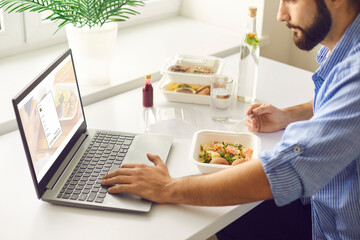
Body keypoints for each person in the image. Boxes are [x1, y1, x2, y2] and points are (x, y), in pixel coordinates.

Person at [101, 0, 360, 239]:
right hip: (320, 203)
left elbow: (283, 170)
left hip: (335, 230)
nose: (281, 14)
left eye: (292, 0)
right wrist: (288, 116)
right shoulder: (343, 47)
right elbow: (336, 104)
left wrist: (168, 187)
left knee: (218, 215)